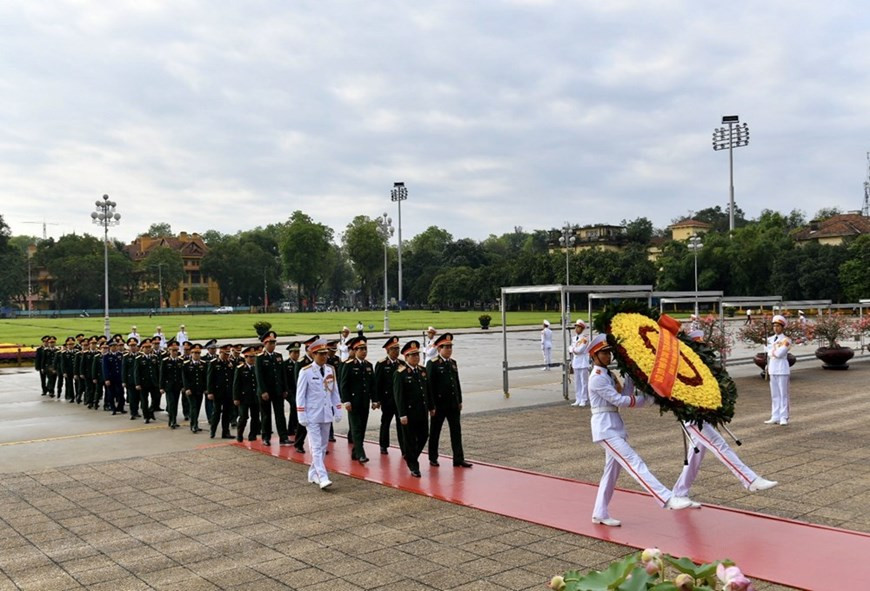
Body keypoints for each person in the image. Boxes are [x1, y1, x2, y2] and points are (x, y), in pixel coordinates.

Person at [587, 334, 692, 527]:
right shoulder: (597, 378)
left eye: (609, 353)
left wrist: (630, 376)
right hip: (605, 428)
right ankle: (666, 498)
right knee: (635, 462)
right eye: (604, 353)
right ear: (594, 355)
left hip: (613, 426)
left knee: (610, 473)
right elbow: (620, 401)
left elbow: (625, 394)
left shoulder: (608, 375)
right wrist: (647, 400)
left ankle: (599, 512)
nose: (608, 356)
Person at [296, 338, 343, 489]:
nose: (324, 357)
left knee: (323, 446)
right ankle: (323, 477)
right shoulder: (306, 371)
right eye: (321, 354)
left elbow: (334, 392)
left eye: (326, 354)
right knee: (316, 447)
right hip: (312, 414)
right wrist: (301, 414)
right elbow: (300, 395)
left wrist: (337, 409)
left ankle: (313, 473)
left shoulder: (330, 369)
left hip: (325, 414)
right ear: (314, 354)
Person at [427, 333, 472, 469]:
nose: (449, 350)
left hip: (452, 404)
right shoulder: (433, 364)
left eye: (450, 347)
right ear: (439, 349)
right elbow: (429, 386)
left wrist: (459, 400)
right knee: (435, 432)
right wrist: (431, 406)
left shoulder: (453, 363)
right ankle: (433, 457)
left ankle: (458, 458)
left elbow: (456, 383)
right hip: (439, 405)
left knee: (456, 432)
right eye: (446, 347)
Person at [394, 340, 430, 478]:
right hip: (408, 413)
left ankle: (411, 456)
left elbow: (427, 391)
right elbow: (399, 396)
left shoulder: (422, 371)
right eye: (412, 355)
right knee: (409, 439)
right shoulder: (400, 373)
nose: (416, 357)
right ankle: (414, 466)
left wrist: (431, 406)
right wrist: (402, 414)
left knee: (423, 436)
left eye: (417, 355)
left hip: (422, 410)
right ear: (406, 357)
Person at [339, 336, 376, 464]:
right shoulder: (348, 365)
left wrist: (375, 400)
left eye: (365, 349)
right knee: (356, 428)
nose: (364, 351)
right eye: (360, 349)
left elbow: (372, 385)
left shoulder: (369, 366)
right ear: (355, 351)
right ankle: (361, 454)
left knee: (363, 427)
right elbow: (344, 384)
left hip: (364, 402)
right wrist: (346, 401)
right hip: (353, 402)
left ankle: (356, 451)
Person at [255, 331, 289, 446]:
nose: (273, 345)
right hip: (266, 392)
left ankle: (283, 437)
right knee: (266, 416)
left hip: (277, 391)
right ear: (265, 344)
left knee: (280, 415)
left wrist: (285, 389)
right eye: (270, 343)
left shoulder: (278, 356)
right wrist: (263, 391)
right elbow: (259, 377)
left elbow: (282, 374)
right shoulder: (259, 358)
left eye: (274, 343)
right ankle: (266, 437)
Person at [374, 336, 404, 455]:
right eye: (393, 349)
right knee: (385, 423)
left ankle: (404, 447)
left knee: (401, 425)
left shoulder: (402, 364)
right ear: (388, 350)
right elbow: (377, 384)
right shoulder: (381, 364)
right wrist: (377, 400)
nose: (396, 351)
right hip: (387, 399)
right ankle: (383, 445)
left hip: (399, 400)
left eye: (398, 349)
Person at [293, 335, 319, 453]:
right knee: (303, 423)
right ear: (308, 349)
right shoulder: (301, 362)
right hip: (306, 396)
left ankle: (318, 445)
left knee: (318, 422)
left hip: (316, 396)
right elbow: (297, 381)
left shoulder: (317, 361)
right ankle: (299, 443)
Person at [765, 315, 792, 426]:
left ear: (782, 327)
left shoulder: (786, 340)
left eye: (778, 326)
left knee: (783, 394)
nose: (775, 328)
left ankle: (784, 416)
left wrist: (771, 352)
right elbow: (767, 353)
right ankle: (775, 416)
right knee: (774, 394)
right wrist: (772, 352)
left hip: (782, 369)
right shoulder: (769, 339)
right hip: (773, 368)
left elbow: (780, 354)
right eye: (774, 326)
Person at [207, 343, 236, 439]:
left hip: (228, 393)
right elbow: (210, 379)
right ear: (220, 353)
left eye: (228, 354)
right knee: (216, 412)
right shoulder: (214, 363)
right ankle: (213, 430)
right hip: (218, 393)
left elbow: (232, 379)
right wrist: (210, 392)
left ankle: (226, 432)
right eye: (225, 354)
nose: (227, 356)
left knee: (227, 414)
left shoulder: (230, 363)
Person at [234, 346, 261, 442]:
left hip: (255, 397)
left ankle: (252, 435)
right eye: (250, 357)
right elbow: (236, 384)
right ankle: (239, 434)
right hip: (244, 397)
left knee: (255, 417)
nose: (252, 359)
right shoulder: (240, 368)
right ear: (245, 357)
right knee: (243, 417)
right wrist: (236, 398)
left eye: (254, 357)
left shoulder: (257, 367)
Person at [134, 339, 161, 424]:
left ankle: (151, 411)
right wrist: (137, 383)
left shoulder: (154, 357)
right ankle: (146, 416)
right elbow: (136, 372)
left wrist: (159, 382)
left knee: (156, 398)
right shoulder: (139, 359)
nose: (148, 349)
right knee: (144, 401)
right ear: (142, 349)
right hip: (143, 383)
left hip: (154, 382)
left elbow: (158, 371)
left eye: (149, 347)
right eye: (146, 348)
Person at [183, 344, 208, 433]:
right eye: (195, 353)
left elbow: (205, 377)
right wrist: (187, 388)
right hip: (191, 390)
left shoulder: (203, 364)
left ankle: (194, 423)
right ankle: (194, 425)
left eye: (198, 353)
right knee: (193, 407)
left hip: (199, 389)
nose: (197, 355)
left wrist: (205, 388)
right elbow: (184, 378)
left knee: (197, 407)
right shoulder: (186, 364)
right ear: (191, 353)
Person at [160, 339, 184, 429]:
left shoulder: (180, 361)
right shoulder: (165, 361)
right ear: (169, 351)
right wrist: (161, 387)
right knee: (171, 403)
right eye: (173, 351)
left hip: (177, 386)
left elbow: (182, 375)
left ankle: (173, 420)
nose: (175, 352)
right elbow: (162, 375)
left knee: (176, 403)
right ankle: (172, 420)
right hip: (169, 386)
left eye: (176, 351)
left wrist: (182, 386)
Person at [570, 320, 590, 407]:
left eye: (578, 327)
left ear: (582, 328)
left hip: (583, 362)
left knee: (584, 382)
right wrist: (573, 349)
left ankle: (584, 399)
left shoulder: (585, 339)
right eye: (576, 327)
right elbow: (570, 348)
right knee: (577, 382)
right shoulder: (574, 338)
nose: (576, 329)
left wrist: (572, 349)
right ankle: (578, 398)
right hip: (576, 362)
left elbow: (580, 350)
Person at [102, 338, 125, 415]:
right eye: (113, 346)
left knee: (121, 393)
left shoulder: (121, 355)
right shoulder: (106, 356)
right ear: (110, 347)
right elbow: (105, 368)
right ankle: (113, 408)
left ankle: (120, 407)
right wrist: (107, 379)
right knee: (111, 394)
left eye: (115, 346)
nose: (114, 347)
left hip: (119, 377)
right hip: (111, 378)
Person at [123, 338, 141, 419]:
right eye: (131, 346)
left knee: (138, 397)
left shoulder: (140, 356)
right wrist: (124, 381)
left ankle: (136, 411)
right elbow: (124, 370)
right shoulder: (126, 357)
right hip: (130, 380)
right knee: (132, 397)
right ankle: (133, 412)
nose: (133, 347)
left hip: (139, 380)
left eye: (134, 346)